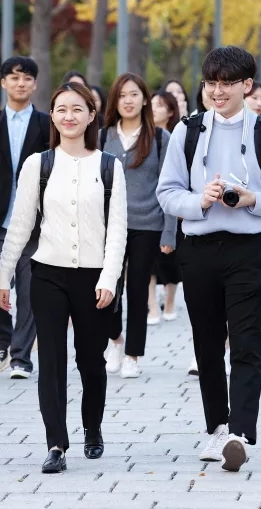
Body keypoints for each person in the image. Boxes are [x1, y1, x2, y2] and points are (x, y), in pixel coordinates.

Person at [156, 46, 261, 471]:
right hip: (198, 249)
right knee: (206, 345)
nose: (218, 93)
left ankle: (239, 431)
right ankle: (215, 428)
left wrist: (254, 200)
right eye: (211, 84)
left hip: (249, 250)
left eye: (227, 84)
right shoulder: (186, 132)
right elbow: (166, 192)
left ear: (247, 86)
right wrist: (199, 201)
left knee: (245, 342)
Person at [0, 82, 127, 474]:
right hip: (47, 275)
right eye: (61, 109)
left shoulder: (109, 165)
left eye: (77, 109)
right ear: (52, 116)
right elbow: (20, 225)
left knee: (91, 361)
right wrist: (4, 275)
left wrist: (108, 278)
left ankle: (93, 427)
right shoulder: (38, 164)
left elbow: (117, 230)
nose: (69, 116)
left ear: (91, 116)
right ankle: (56, 443)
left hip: (94, 279)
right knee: (50, 361)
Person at [0, 56, 50, 378]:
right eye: (14, 77)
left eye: (27, 78)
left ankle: (21, 356)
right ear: (3, 82)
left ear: (35, 84)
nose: (21, 83)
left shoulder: (47, 125)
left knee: (31, 293)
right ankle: (0, 339)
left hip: (35, 227)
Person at [100, 73, 177, 378]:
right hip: (108, 227)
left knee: (137, 289)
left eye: (133, 94)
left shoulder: (160, 138)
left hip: (148, 225)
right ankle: (115, 340)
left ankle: (132, 354)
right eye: (121, 96)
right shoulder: (102, 136)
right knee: (107, 288)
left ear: (144, 98)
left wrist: (169, 232)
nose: (128, 101)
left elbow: (171, 187)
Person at [149, 91, 182, 324]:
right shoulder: (142, 136)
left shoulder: (177, 136)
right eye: (151, 104)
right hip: (147, 207)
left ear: (170, 111)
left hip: (171, 205)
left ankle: (169, 299)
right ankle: (151, 305)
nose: (154, 109)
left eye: (160, 105)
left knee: (170, 259)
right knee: (148, 260)